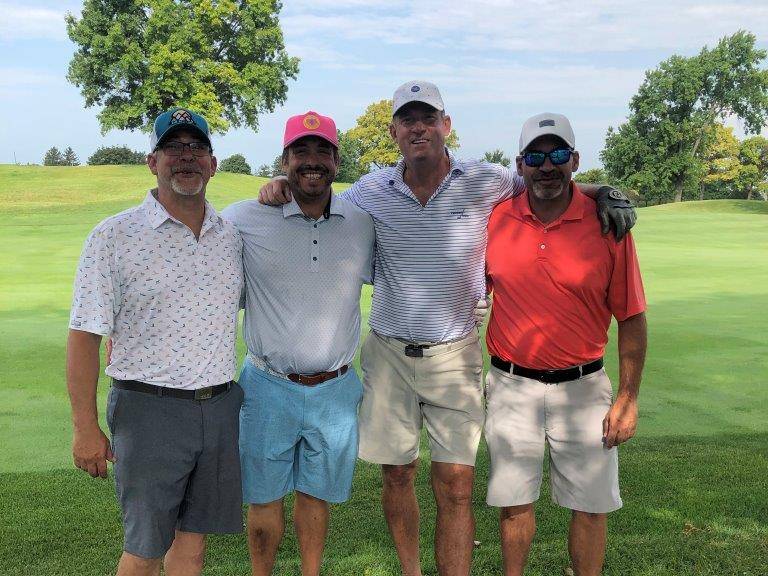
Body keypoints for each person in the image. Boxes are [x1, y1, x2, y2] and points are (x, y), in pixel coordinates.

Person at [258, 81, 636, 576]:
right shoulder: (370, 191)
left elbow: (547, 182)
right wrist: (281, 184)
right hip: (389, 353)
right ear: (393, 131)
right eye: (408, 120)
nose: (418, 128)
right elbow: (322, 199)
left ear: (446, 125)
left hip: (455, 353)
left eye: (428, 118)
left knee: (456, 484)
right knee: (397, 475)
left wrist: (602, 191)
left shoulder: (487, 180)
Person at [66, 108, 244, 576]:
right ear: (152, 162)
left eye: (196, 148)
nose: (185, 157)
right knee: (145, 548)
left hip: (218, 406)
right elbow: (84, 336)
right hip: (149, 411)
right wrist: (84, 426)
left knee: (193, 545)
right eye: (172, 148)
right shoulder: (114, 235)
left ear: (213, 163)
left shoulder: (231, 236)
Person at [484, 112, 647, 576]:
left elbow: (632, 317)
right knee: (514, 505)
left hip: (583, 386)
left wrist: (628, 397)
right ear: (520, 164)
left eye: (557, 154)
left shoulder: (607, 225)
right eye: (535, 156)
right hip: (511, 384)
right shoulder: (496, 219)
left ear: (575, 160)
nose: (547, 166)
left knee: (591, 507)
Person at [221, 111, 375, 576]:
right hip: (267, 385)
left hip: (336, 388)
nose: (312, 161)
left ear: (336, 161)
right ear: (284, 159)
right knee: (264, 498)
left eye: (322, 151)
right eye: (300, 152)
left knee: (316, 497)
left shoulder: (361, 222)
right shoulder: (244, 218)